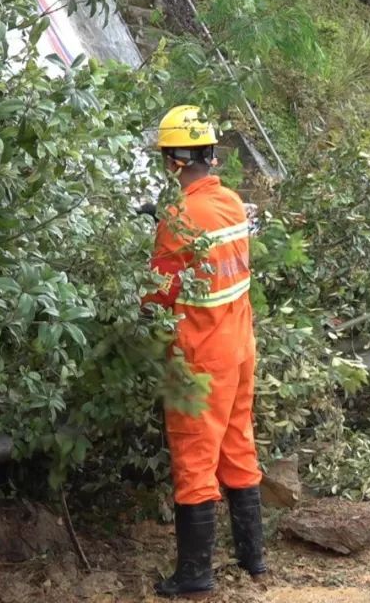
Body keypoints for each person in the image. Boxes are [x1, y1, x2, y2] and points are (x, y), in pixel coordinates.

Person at [141, 105, 265, 598]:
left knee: (195, 457)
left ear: (172, 161)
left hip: (199, 357)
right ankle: (252, 557)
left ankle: (195, 574)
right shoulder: (233, 202)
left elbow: (159, 293)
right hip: (239, 347)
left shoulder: (177, 217)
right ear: (210, 155)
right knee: (237, 444)